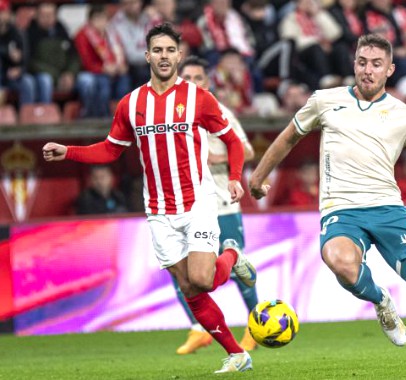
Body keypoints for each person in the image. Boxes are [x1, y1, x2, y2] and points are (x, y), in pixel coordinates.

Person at [248, 33, 406, 380]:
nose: (368, 70)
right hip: (341, 210)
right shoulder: (325, 101)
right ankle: (381, 300)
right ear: (354, 64)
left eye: (376, 64)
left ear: (390, 70)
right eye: (362, 62)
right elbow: (289, 136)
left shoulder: (404, 115)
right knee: (338, 259)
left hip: (388, 210)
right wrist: (258, 177)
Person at [42, 24, 255, 374]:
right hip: (158, 210)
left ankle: (231, 254)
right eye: (158, 50)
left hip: (197, 202)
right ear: (147, 56)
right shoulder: (132, 103)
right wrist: (68, 151)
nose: (164, 56)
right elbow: (111, 149)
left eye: (170, 50)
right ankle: (237, 354)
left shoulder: (198, 98)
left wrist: (233, 178)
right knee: (189, 288)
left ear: (179, 55)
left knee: (202, 279)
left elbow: (232, 140)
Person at [174, 55, 259, 354]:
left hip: (222, 203)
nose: (193, 84)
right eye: (187, 79)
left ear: (207, 83)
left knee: (237, 267)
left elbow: (246, 151)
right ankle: (199, 329)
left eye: (198, 78)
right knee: (179, 270)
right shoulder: (170, 114)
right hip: (187, 205)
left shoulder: (219, 111)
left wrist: (216, 159)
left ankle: (255, 325)